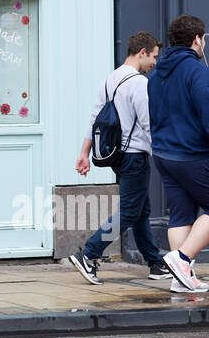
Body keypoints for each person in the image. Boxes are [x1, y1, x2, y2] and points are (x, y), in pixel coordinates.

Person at [70, 32, 171, 285]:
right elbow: (148, 123)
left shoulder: (111, 79)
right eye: (154, 57)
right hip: (135, 155)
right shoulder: (139, 83)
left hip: (117, 155)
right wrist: (164, 152)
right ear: (142, 52)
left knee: (140, 210)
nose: (155, 63)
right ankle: (88, 254)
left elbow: (95, 118)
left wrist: (84, 152)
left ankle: (155, 263)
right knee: (129, 212)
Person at [148, 14, 209, 293]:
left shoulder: (156, 74)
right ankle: (182, 259)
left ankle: (182, 277)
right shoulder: (198, 72)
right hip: (193, 155)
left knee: (180, 214)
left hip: (164, 155)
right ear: (197, 40)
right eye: (203, 39)